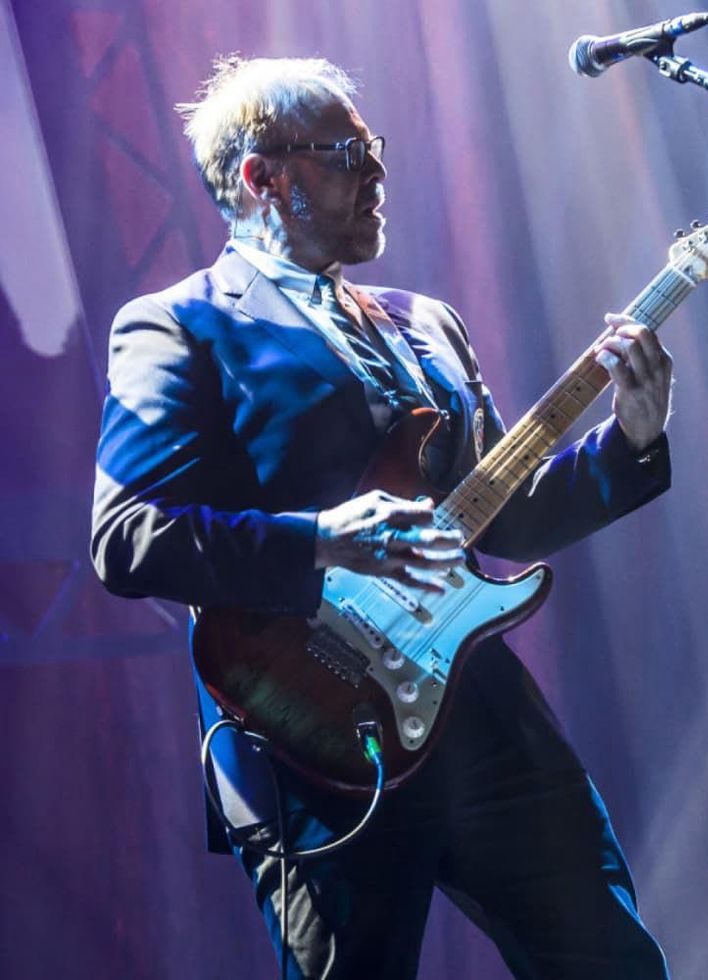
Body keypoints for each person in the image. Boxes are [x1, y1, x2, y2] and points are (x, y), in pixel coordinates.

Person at [91, 55, 674, 979]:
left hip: (477, 711)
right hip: (305, 729)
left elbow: (501, 520)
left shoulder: (425, 322)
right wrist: (322, 540)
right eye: (348, 153)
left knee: (609, 960)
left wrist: (629, 442)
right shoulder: (179, 325)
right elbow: (128, 537)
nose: (377, 173)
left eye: (376, 149)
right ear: (262, 177)